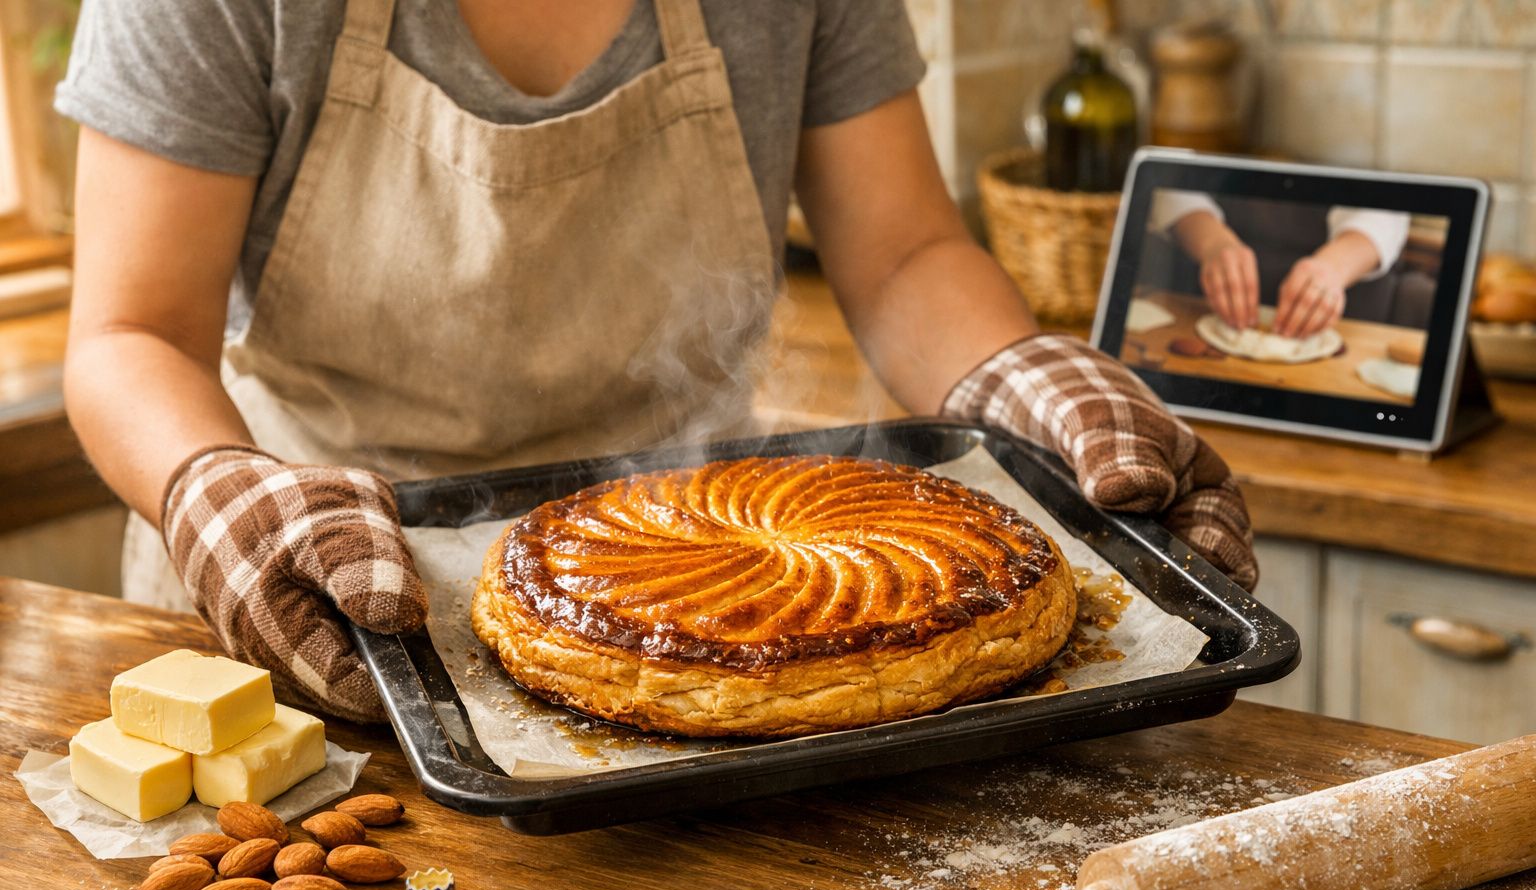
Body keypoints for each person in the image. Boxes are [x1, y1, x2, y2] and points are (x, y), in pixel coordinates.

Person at [59, 0, 1257, 722]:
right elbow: (133, 336)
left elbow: (901, 257)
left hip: (723, 592)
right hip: (321, 615)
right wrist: (213, 487)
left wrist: (1027, 372)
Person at [1147, 190, 1412, 338]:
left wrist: (1332, 269)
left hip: (1353, 316)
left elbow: (1390, 204)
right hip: (1199, 307)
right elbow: (1170, 183)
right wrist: (1213, 244)